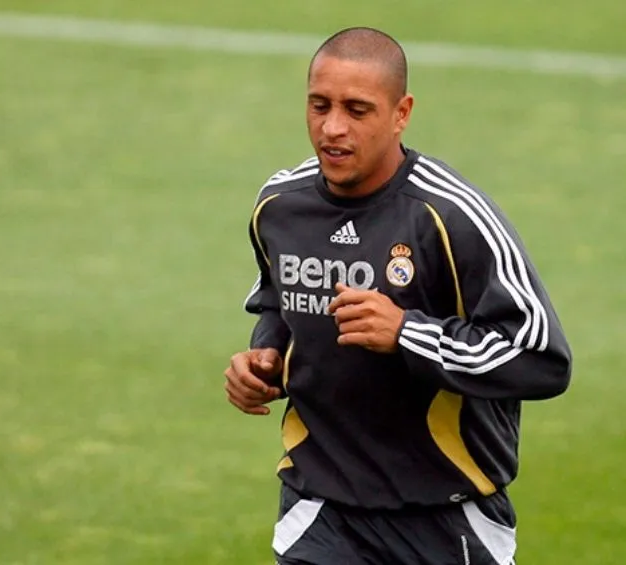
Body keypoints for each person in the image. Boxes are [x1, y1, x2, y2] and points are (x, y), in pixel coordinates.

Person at [225, 27, 571, 565]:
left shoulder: (450, 216)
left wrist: (409, 334)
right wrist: (264, 357)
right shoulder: (279, 206)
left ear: (401, 112)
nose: (332, 128)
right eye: (320, 105)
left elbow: (541, 359)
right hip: (321, 513)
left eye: (357, 110)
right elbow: (278, 300)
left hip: (446, 522)